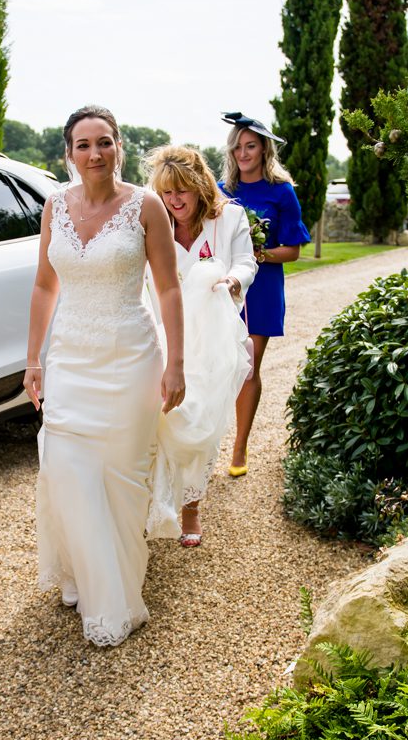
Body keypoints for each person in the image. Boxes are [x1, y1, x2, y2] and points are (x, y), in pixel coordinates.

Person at [23, 105, 185, 647]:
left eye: (105, 142)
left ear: (119, 147)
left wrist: (176, 361)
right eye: (84, 145)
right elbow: (46, 287)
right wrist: (33, 359)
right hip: (70, 359)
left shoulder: (147, 206)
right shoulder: (53, 208)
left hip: (130, 358)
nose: (95, 154)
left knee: (120, 481)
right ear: (68, 154)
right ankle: (87, 577)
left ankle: (112, 590)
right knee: (66, 468)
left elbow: (167, 288)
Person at [144, 145, 256, 548]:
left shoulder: (229, 218)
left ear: (199, 186)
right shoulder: (154, 222)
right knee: (166, 415)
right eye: (167, 193)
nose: (175, 201)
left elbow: (246, 261)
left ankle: (191, 505)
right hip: (166, 332)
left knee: (203, 421)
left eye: (183, 192)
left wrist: (232, 282)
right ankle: (158, 498)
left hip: (213, 335)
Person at [218, 112, 311, 477]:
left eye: (250, 146)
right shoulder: (223, 190)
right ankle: (205, 441)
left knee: (248, 365)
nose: (243, 153)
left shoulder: (281, 192)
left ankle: (239, 447)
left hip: (262, 288)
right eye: (237, 146)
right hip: (224, 287)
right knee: (214, 364)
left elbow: (293, 249)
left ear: (263, 149)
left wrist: (258, 254)